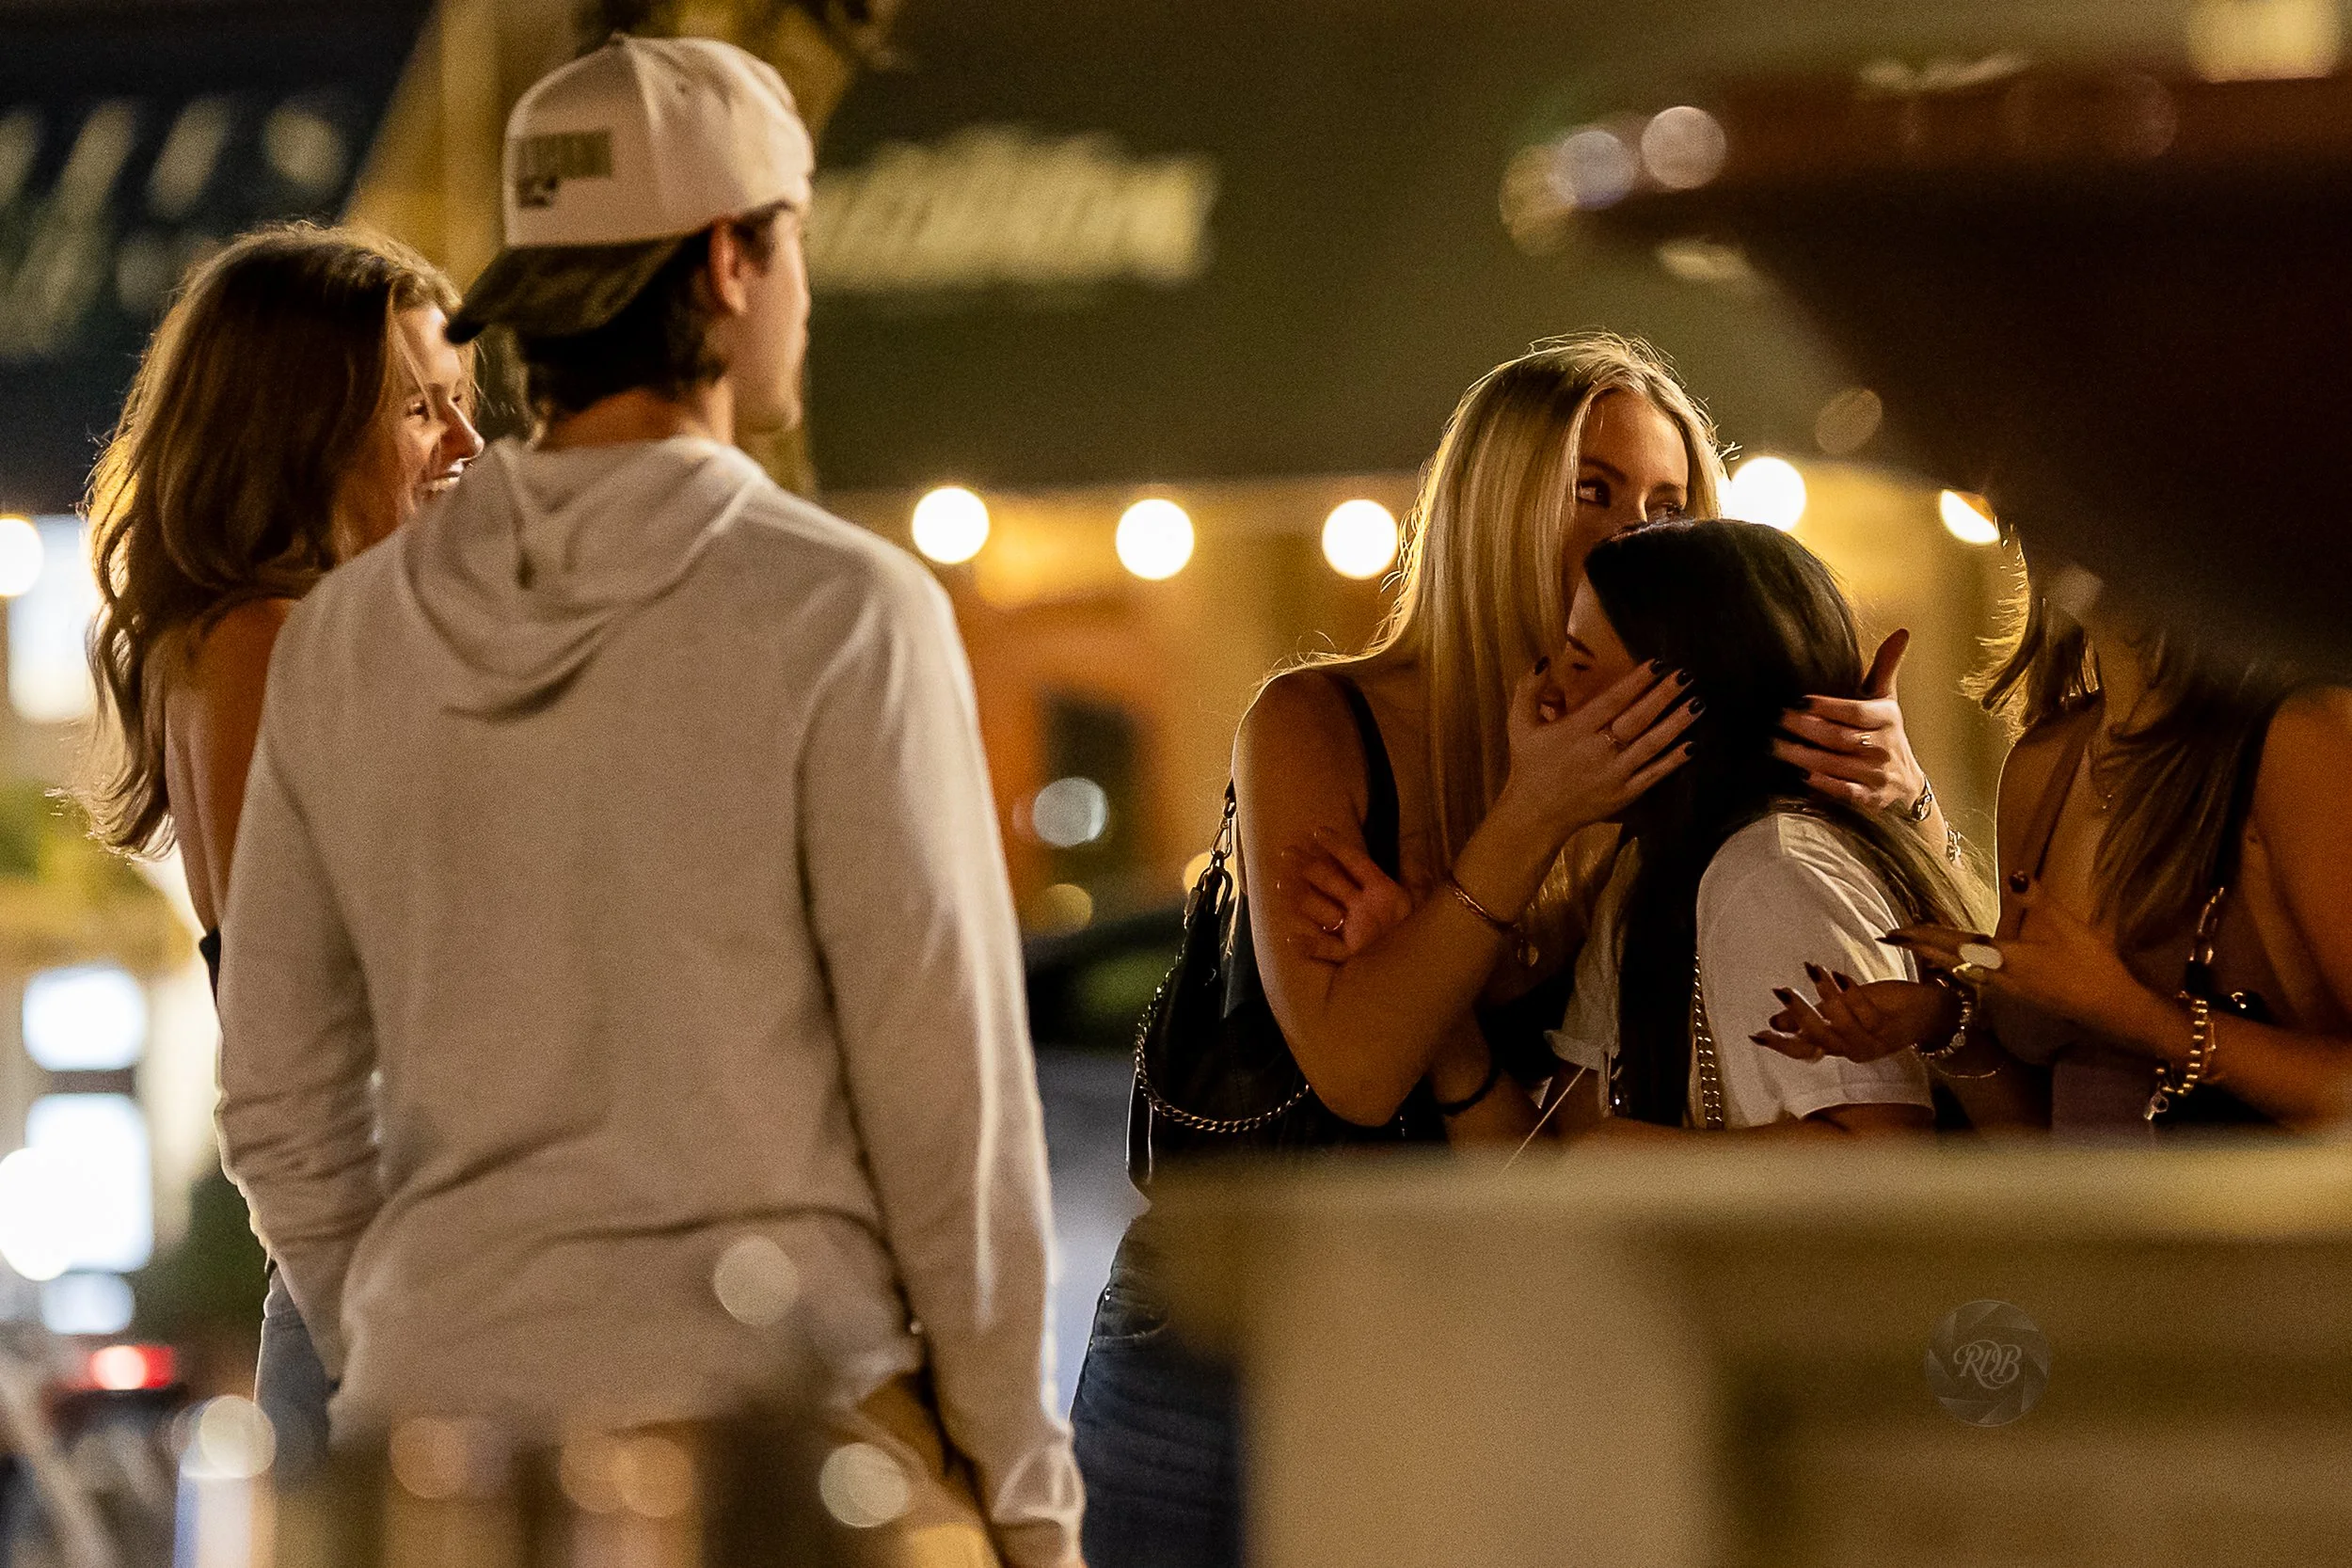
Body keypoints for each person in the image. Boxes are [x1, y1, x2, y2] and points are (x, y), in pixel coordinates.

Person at [213, 36, 1079, 1567]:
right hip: (778, 1450)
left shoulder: (345, 634)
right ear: (737, 260)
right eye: (794, 243)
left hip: (439, 1458)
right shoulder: (840, 610)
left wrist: (424, 1328)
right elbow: (950, 1105)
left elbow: (280, 1102)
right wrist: (1024, 1497)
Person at [1070, 338, 1948, 1568]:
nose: (1632, 530)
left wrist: (1901, 799)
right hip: (1247, 1327)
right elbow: (1361, 1069)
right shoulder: (1322, 718)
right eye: (1592, 490)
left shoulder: (1677, 791)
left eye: (1668, 503)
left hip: (1493, 1328)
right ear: (1493, 506)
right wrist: (1533, 812)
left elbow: (1882, 980)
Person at [81, 224, 483, 1477]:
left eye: (463, 406)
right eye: (420, 409)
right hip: (393, 1305)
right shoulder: (270, 640)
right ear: (297, 425)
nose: (465, 447)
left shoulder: (277, 637)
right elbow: (297, 1039)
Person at [1757, 548, 2352, 1132]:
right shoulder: (2044, 762)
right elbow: (2042, 1143)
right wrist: (1946, 1026)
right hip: (2094, 1230)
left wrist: (2142, 1017)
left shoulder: (2304, 737)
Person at [1536, 518, 1979, 1134]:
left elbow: (1880, 1159)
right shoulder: (1651, 865)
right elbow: (1561, 1139)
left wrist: (1624, 1158)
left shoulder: (1771, 870)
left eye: (1580, 663)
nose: (1546, 692)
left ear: (1686, 697)